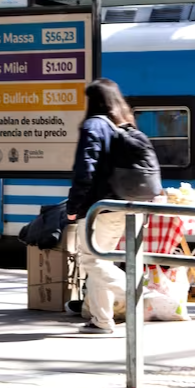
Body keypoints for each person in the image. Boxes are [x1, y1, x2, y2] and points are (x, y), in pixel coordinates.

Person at [66, 78, 142, 335]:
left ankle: (137, 292)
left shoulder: (94, 126)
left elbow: (84, 170)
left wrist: (74, 205)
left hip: (101, 209)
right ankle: (101, 321)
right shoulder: (124, 122)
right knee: (99, 260)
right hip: (125, 205)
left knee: (90, 261)